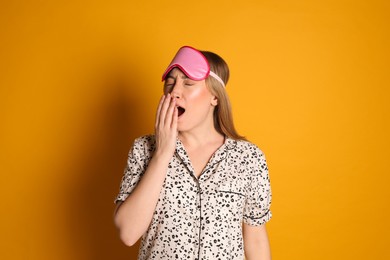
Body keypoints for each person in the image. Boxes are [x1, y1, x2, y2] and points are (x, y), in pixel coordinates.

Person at [114, 46, 272, 260]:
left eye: (188, 83)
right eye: (170, 82)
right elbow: (128, 233)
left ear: (215, 97)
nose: (174, 91)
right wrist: (162, 153)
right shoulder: (144, 149)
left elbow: (255, 239)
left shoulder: (249, 158)